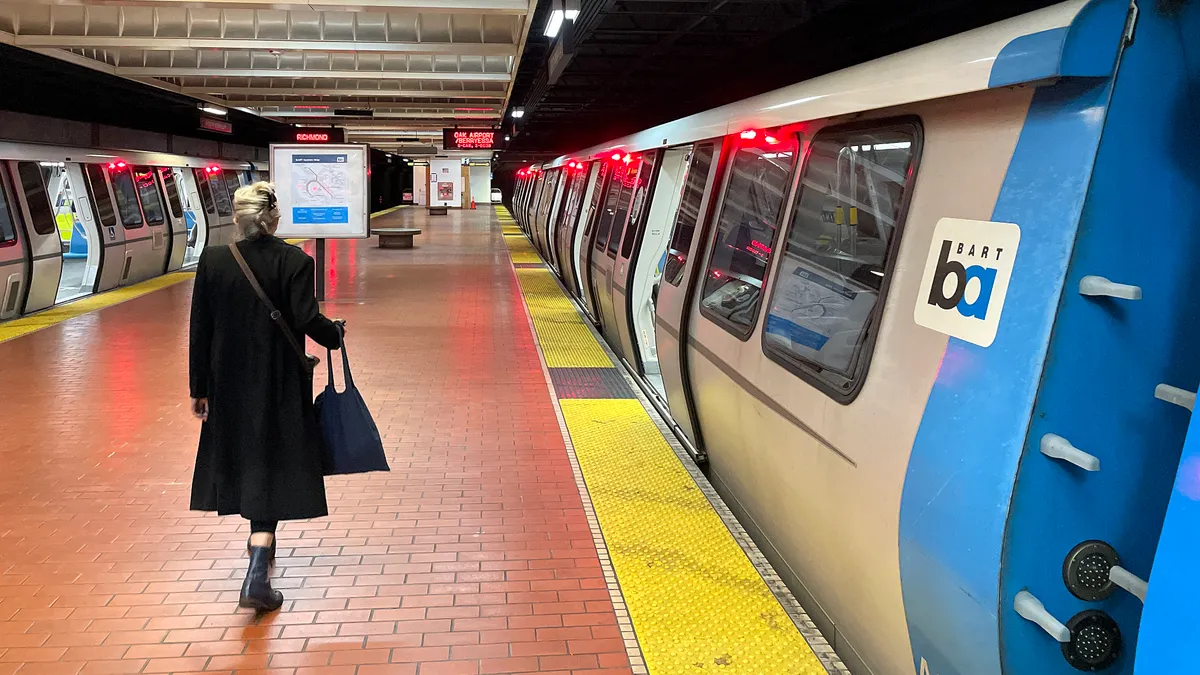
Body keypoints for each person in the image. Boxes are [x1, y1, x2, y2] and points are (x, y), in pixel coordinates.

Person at [188, 181, 343, 612]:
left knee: (247, 458)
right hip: (278, 381)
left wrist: (198, 389)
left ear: (237, 218)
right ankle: (258, 563)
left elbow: (199, 326)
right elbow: (306, 318)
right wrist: (336, 335)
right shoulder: (295, 260)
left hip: (228, 383)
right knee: (271, 459)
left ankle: (261, 549)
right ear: (274, 219)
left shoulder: (214, 260)